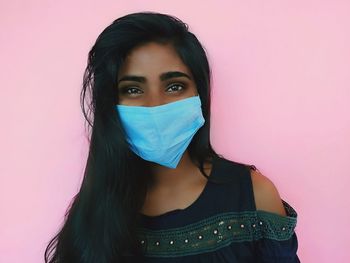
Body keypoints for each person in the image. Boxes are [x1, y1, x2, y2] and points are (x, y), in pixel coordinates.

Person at [44, 11, 300, 263]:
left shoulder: (255, 196)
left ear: (200, 95)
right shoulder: (94, 210)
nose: (154, 105)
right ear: (110, 104)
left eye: (174, 86)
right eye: (132, 89)